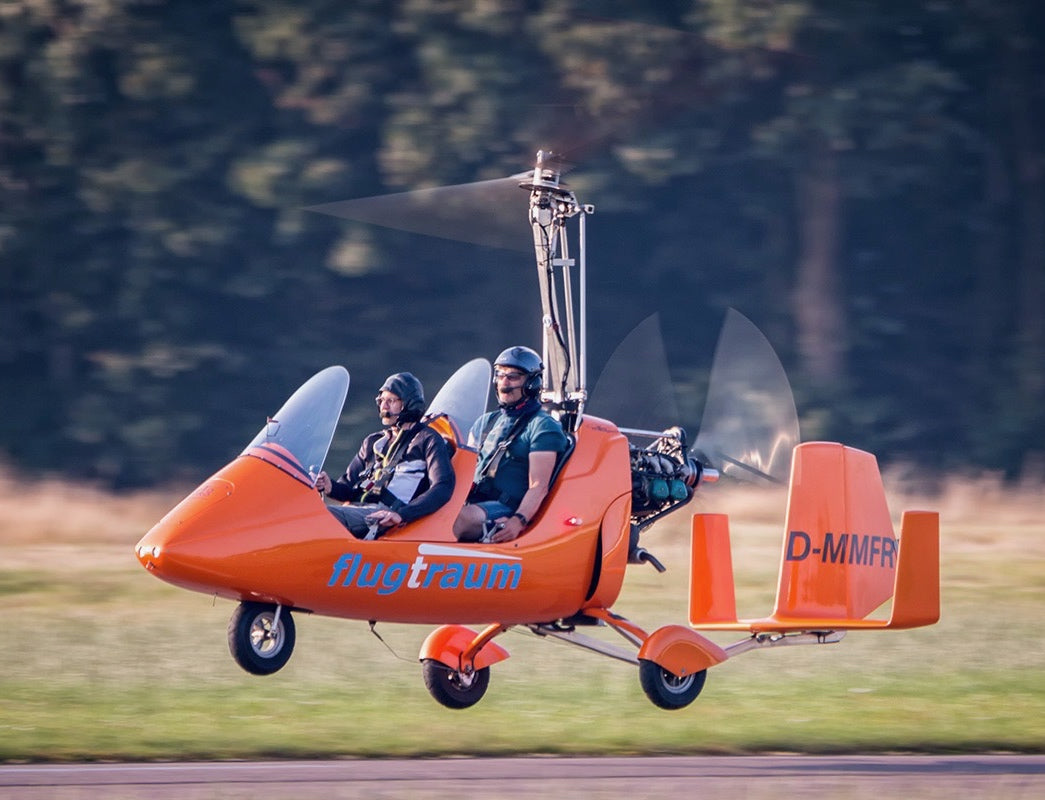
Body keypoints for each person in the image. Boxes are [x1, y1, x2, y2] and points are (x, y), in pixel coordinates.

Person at [316, 372, 454, 538]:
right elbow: (347, 488)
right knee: (304, 512)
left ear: (409, 403)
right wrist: (328, 485)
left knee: (318, 517)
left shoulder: (428, 439)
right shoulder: (373, 441)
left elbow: (442, 487)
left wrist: (402, 514)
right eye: (381, 401)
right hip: (358, 509)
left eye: (391, 401)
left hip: (386, 515)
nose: (384, 407)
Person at [453, 346, 569, 544]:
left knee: (457, 521)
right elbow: (464, 468)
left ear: (532, 384)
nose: (504, 383)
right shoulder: (486, 421)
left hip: (506, 507)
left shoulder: (542, 425)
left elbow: (538, 486)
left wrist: (518, 520)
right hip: (471, 501)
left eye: (513, 377)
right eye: (500, 375)